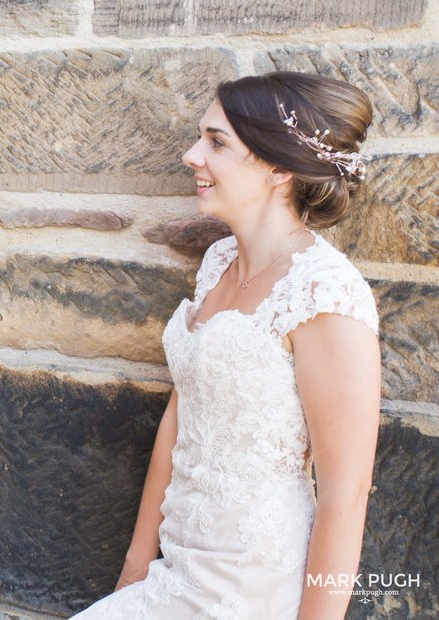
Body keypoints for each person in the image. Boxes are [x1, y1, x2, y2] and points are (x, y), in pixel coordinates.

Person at [72, 71, 381, 619]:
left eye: (216, 142)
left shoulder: (324, 294)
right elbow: (182, 413)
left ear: (279, 167)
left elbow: (346, 491)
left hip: (252, 587)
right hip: (177, 575)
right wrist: (136, 567)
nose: (192, 155)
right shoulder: (218, 265)